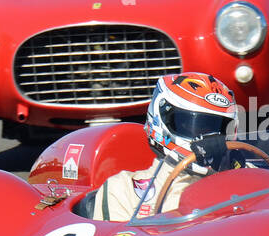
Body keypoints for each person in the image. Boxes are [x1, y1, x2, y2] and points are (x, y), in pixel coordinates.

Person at [91, 73, 239, 221]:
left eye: (219, 129)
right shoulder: (123, 188)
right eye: (197, 127)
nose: (210, 139)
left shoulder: (246, 174)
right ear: (164, 117)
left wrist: (232, 177)